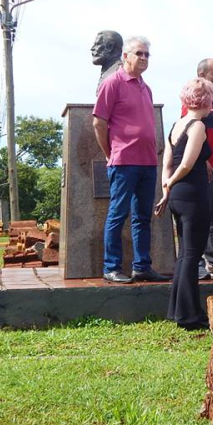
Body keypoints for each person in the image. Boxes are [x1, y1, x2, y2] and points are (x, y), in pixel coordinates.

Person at [93, 35, 169, 283]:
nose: (144, 58)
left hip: (148, 162)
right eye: (139, 53)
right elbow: (99, 123)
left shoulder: (146, 88)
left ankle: (142, 266)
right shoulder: (112, 83)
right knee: (118, 214)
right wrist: (110, 153)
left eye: (147, 54)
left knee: (143, 218)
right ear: (125, 56)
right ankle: (111, 267)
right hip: (124, 161)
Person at [155, 78, 213, 330]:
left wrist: (166, 190)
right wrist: (170, 184)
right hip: (193, 195)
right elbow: (187, 164)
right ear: (206, 100)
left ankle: (179, 310)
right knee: (192, 255)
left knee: (184, 255)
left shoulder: (176, 125)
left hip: (178, 197)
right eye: (212, 97)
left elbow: (167, 164)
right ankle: (189, 316)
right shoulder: (198, 126)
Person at [183, 58, 213, 279]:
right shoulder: (195, 97)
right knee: (202, 216)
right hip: (207, 168)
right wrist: (204, 160)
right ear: (202, 75)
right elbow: (188, 131)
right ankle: (198, 262)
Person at [91, 30, 123, 94]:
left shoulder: (120, 73)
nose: (92, 48)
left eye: (97, 44)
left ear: (110, 46)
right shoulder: (109, 72)